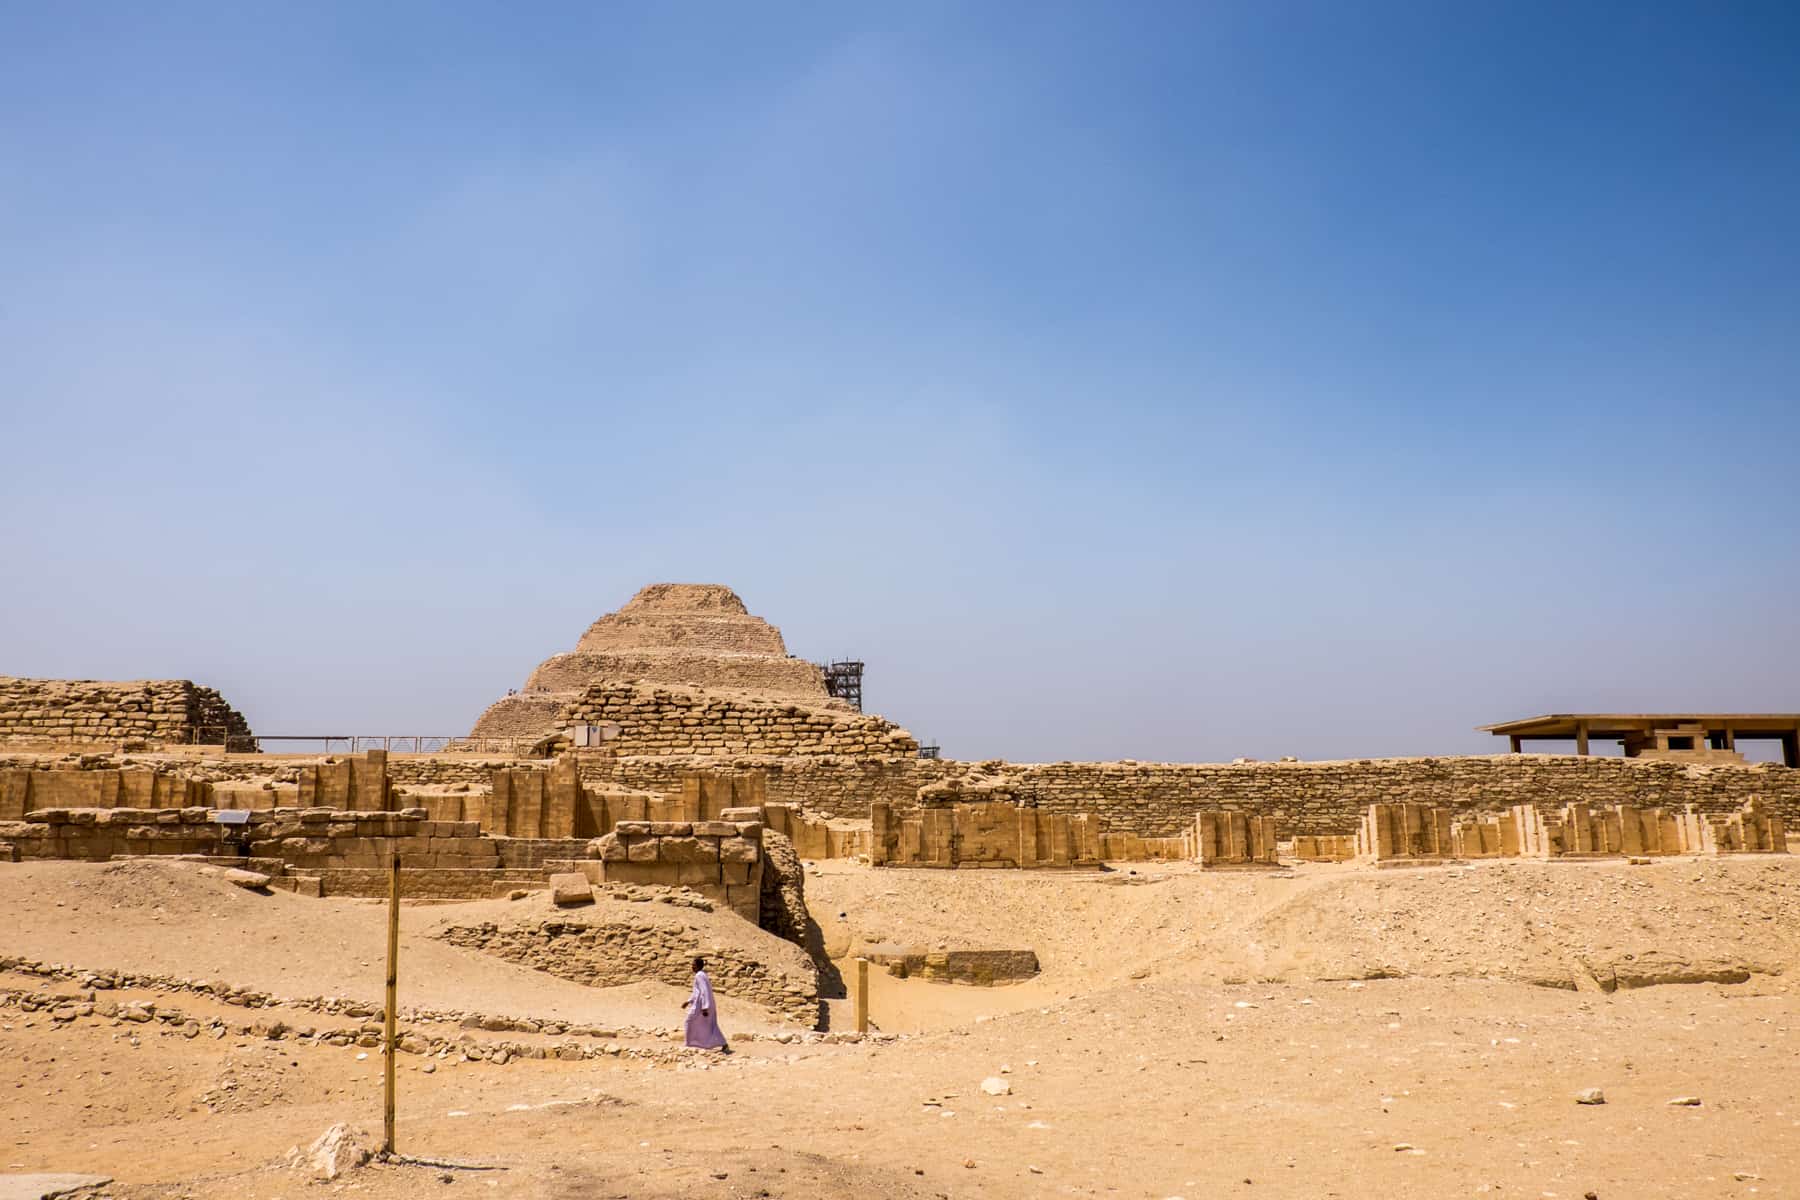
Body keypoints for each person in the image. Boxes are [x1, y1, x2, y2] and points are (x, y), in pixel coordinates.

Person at [682, 956, 728, 1051]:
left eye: (694, 965)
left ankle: (688, 1043)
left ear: (699, 966)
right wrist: (688, 1001)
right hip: (702, 1004)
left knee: (689, 1021)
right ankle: (722, 1043)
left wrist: (705, 1007)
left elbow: (704, 991)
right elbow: (697, 992)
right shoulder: (702, 974)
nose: (692, 967)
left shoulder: (699, 975)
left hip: (702, 1005)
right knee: (707, 1025)